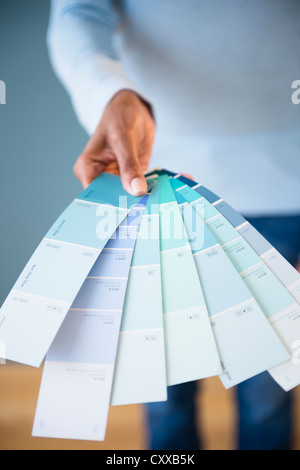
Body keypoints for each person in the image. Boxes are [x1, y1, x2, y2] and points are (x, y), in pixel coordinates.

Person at [47, 0, 300, 450]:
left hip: (287, 186)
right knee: (163, 385)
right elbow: (79, 11)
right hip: (155, 185)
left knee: (267, 390)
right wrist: (109, 92)